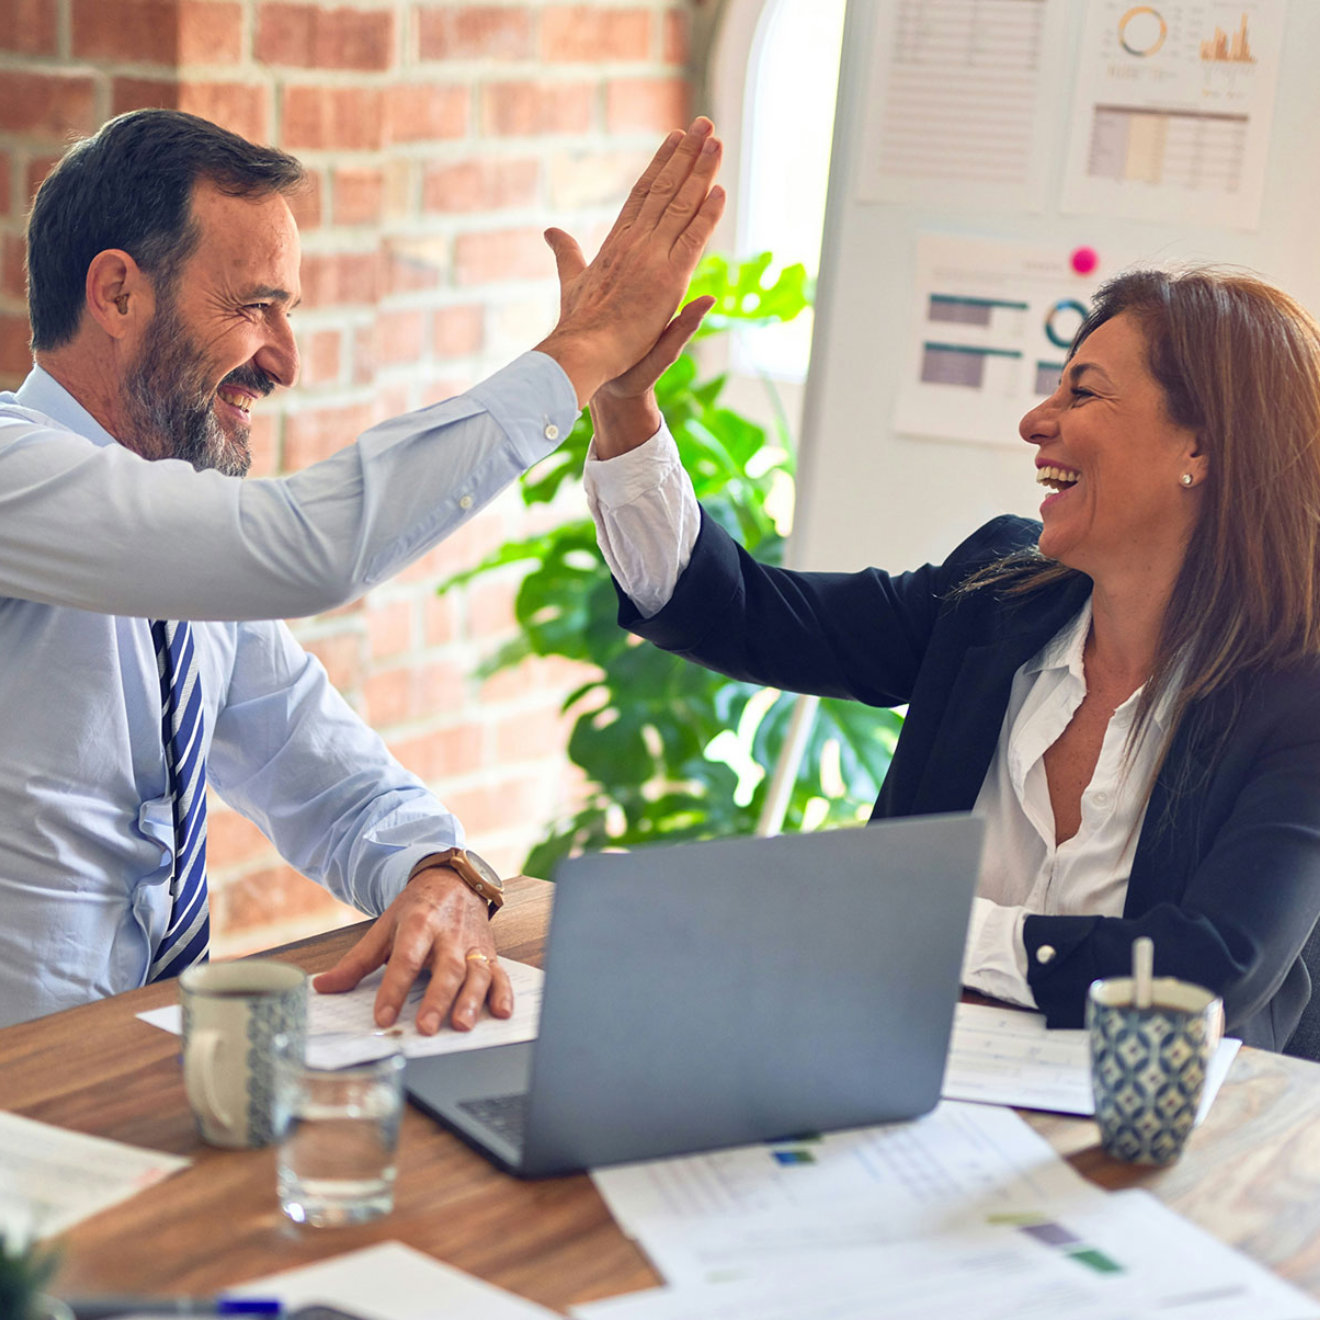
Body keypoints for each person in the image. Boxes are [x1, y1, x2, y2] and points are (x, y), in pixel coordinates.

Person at [0, 108, 724, 1031]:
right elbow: (308, 547)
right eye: (253, 305)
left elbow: (329, 779)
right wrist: (577, 355)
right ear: (116, 294)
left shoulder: (184, 560)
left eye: (288, 312)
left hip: (140, 1065)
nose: (285, 361)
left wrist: (439, 872)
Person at [580, 265, 1320, 1052]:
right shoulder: (994, 594)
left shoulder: (1298, 698)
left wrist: (921, 929)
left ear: (1199, 446)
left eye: (1083, 392)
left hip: (1172, 1147)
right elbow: (741, 613)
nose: (1037, 421)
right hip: (913, 1091)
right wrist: (624, 405)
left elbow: (1209, 969)